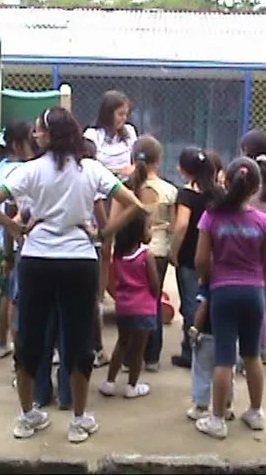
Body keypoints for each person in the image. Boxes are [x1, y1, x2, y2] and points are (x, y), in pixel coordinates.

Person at [0, 106, 146, 443]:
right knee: (78, 340)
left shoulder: (29, 171)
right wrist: (102, 234)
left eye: (39, 130)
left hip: (37, 261)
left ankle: (27, 417)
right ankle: (79, 419)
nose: (35, 135)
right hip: (79, 262)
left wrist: (15, 227)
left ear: (49, 135)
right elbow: (134, 205)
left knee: (30, 339)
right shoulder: (91, 169)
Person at [194, 156, 266, 439]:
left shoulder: (211, 217)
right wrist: (261, 286)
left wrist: (206, 280)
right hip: (254, 294)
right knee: (252, 355)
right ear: (255, 189)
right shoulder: (265, 223)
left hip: (223, 292)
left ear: (225, 181)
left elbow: (201, 259)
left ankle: (217, 420)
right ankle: (255, 412)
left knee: (224, 358)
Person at [120, 135, 177, 372]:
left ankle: (127, 357)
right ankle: (152, 357)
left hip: (129, 252)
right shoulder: (170, 190)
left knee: (129, 301)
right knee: (153, 300)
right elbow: (174, 226)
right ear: (159, 160)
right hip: (159, 251)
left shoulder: (127, 188)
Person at [84, 90, 138, 319]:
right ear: (108, 113)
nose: (123, 118)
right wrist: (117, 170)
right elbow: (90, 163)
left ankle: (125, 294)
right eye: (119, 114)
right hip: (99, 195)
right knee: (103, 245)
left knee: (124, 247)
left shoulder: (130, 133)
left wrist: (129, 171)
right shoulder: (92, 134)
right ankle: (97, 296)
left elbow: (135, 163)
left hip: (123, 193)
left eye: (126, 114)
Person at [169, 147, 221, 369]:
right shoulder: (217, 193)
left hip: (190, 257)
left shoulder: (187, 195)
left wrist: (173, 251)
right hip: (215, 256)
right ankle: (214, 346)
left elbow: (181, 225)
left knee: (191, 304)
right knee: (211, 300)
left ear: (183, 170)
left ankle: (191, 351)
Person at [0, 121, 36, 360]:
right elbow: (9, 209)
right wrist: (9, 250)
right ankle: (19, 350)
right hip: (13, 240)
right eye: (31, 139)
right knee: (16, 297)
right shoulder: (19, 171)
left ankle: (1, 343)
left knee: (8, 292)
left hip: (4, 237)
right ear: (18, 145)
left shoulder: (1, 166)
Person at [99, 213, 159, 398]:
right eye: (148, 227)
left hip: (123, 306)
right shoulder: (146, 254)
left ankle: (109, 382)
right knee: (138, 349)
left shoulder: (119, 254)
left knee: (122, 343)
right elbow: (155, 284)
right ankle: (132, 385)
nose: (151, 231)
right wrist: (154, 296)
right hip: (144, 307)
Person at [240, 128, 266, 364]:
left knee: (246, 290)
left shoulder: (246, 175)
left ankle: (248, 345)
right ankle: (265, 346)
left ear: (246, 150)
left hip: (245, 237)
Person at [186, 283, 235, 422]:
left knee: (202, 371)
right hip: (229, 334)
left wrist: (195, 330)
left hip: (207, 335)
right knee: (227, 370)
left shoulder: (210, 285)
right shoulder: (232, 285)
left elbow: (203, 307)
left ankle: (201, 407)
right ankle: (226, 406)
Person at [82, 138, 111, 369]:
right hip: (89, 247)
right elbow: (103, 221)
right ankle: (98, 350)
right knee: (91, 302)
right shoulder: (92, 184)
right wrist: (102, 235)